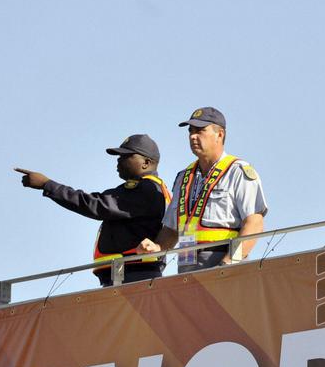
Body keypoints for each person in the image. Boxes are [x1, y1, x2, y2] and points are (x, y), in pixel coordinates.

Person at [14, 134, 171, 286]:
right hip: (127, 276)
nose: (118, 161)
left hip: (133, 277)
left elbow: (95, 205)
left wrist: (47, 185)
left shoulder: (145, 189)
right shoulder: (152, 189)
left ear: (146, 162)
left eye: (125, 156)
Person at [139, 107, 268, 272]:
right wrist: (156, 248)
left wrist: (229, 262)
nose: (193, 136)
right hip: (186, 264)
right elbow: (171, 230)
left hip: (222, 260)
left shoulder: (237, 171)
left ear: (219, 134)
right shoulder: (184, 177)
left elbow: (254, 223)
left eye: (200, 130)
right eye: (190, 131)